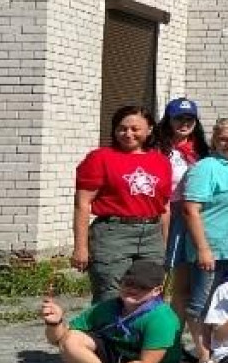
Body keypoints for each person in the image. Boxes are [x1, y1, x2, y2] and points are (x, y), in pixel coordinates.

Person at [41, 260, 181, 363]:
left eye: (142, 287)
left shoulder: (161, 318)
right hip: (119, 357)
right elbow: (58, 340)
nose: (133, 289)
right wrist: (54, 323)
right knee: (70, 340)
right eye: (128, 283)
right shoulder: (108, 307)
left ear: (157, 291)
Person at [73, 105, 172, 303]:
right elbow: (82, 203)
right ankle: (106, 325)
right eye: (122, 128)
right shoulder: (100, 158)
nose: (128, 134)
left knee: (150, 294)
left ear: (149, 129)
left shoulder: (161, 161)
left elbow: (164, 207)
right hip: (113, 234)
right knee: (110, 295)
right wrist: (80, 247)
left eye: (135, 129)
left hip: (151, 235)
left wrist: (165, 243)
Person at [181, 117, 228, 363]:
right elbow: (190, 210)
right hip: (212, 248)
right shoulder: (206, 167)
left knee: (226, 303)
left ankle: (223, 349)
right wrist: (203, 249)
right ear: (214, 141)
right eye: (223, 139)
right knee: (201, 304)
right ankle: (204, 355)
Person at [154, 98, 209, 327]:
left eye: (189, 119)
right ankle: (152, 330)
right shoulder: (157, 149)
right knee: (160, 278)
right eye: (178, 118)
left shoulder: (202, 151)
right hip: (164, 214)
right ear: (168, 120)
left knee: (183, 283)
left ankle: (174, 336)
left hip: (194, 216)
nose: (184, 123)